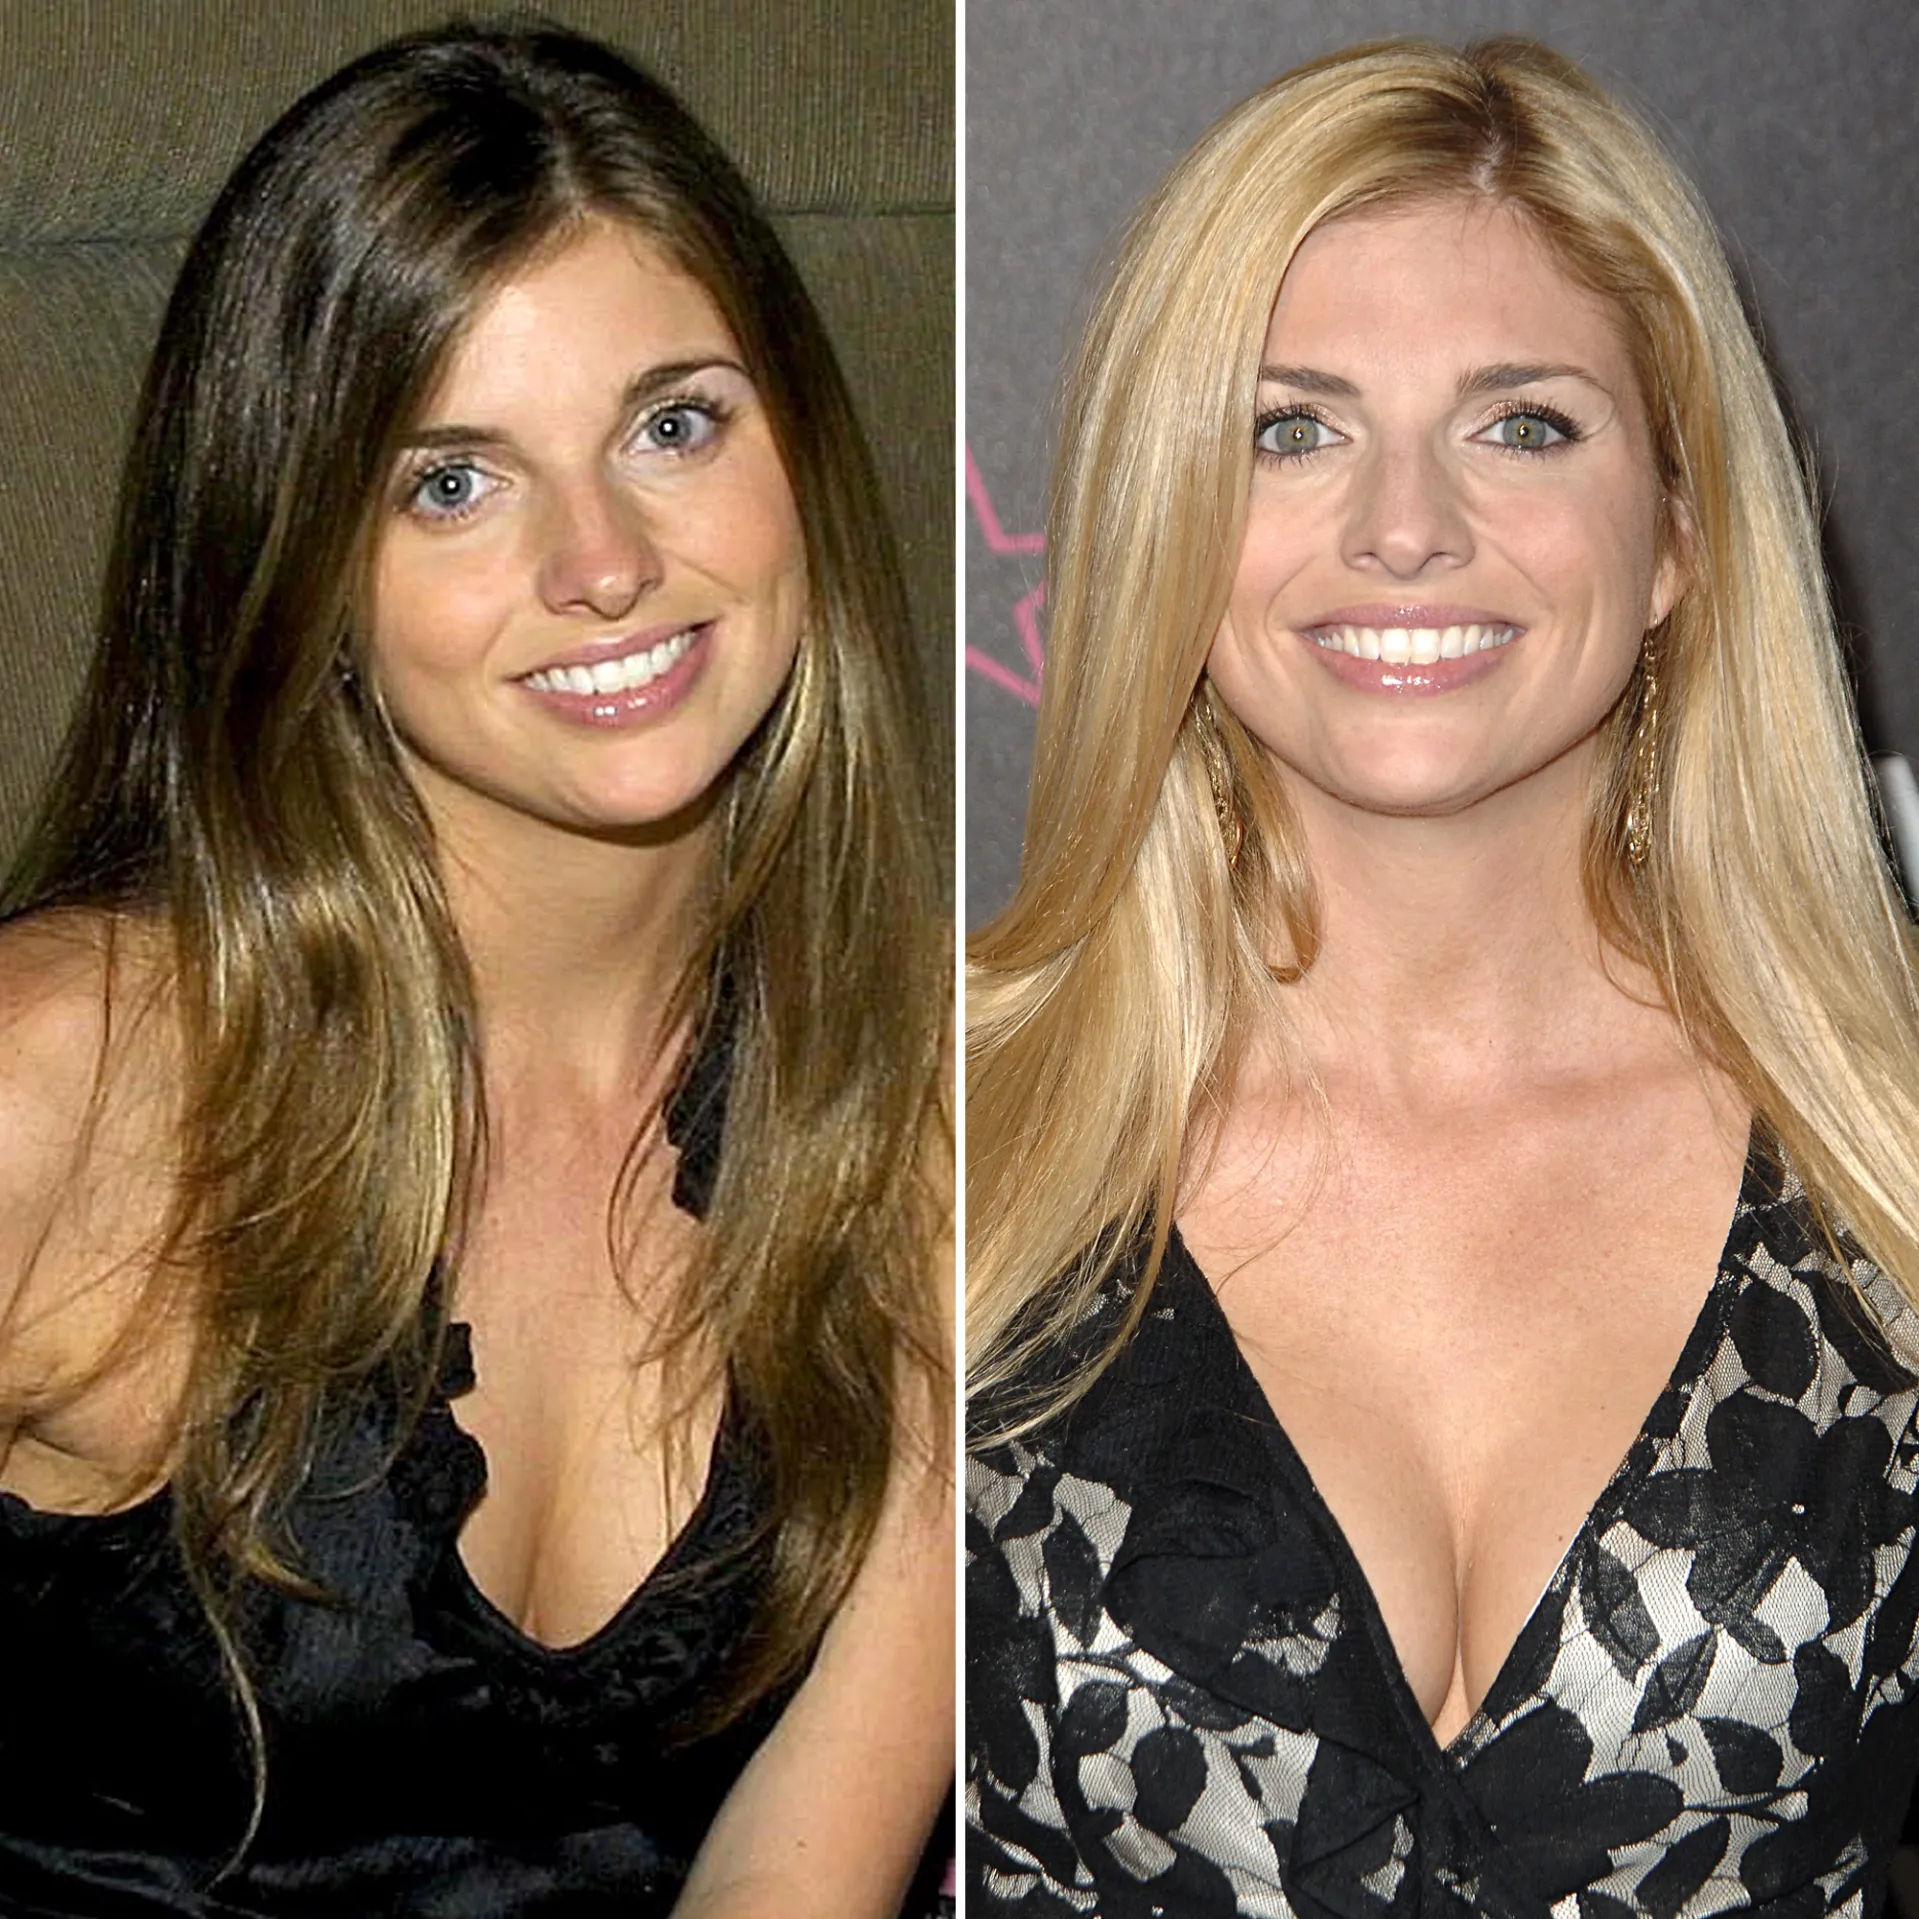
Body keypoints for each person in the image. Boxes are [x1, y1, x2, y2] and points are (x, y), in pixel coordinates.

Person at [0, 22, 952, 1917]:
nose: (602, 562)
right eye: (451, 482)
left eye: (674, 426)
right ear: (296, 557)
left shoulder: (920, 1089)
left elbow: (812, 1859)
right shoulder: (65, 1082)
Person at [966, 35, 1919, 1914]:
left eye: (1523, 425)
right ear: (1163, 515)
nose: (1403, 524)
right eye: (1290, 429)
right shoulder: (951, 1132)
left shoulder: (1888, 1142)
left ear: (1679, 532)